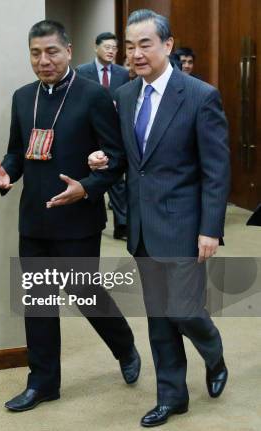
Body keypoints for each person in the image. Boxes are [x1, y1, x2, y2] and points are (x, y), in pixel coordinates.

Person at [79, 9, 229, 427]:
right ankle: (172, 397)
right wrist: (102, 160)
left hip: (184, 226)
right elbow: (128, 160)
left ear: (167, 45)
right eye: (130, 46)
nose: (137, 53)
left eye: (145, 44)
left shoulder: (200, 96)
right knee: (159, 317)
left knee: (183, 310)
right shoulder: (126, 96)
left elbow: (216, 170)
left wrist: (210, 229)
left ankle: (213, 353)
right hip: (143, 228)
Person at [0, 19, 140, 413]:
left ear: (69, 51)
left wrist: (87, 186)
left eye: (51, 51)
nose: (44, 61)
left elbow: (116, 158)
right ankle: (42, 383)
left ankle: (124, 346)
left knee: (85, 294)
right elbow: (17, 151)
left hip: (77, 219)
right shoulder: (23, 97)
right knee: (37, 303)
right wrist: (6, 173)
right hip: (34, 220)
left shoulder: (92, 96)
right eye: (36, 53)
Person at [76, 32, 130, 240]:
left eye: (114, 48)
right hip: (89, 134)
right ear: (96, 48)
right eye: (107, 47)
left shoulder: (122, 73)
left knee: (116, 178)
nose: (111, 51)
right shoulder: (82, 71)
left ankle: (121, 225)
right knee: (92, 177)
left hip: (112, 133)